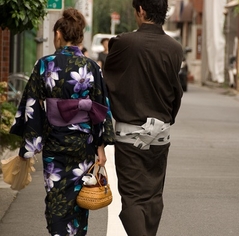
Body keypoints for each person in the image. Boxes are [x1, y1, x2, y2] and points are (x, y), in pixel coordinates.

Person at [9, 8, 114, 236]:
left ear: (58, 34)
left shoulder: (45, 64)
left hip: (55, 145)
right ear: (80, 36)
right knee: (79, 201)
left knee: (56, 202)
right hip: (82, 146)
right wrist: (100, 146)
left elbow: (32, 104)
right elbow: (100, 108)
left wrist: (29, 146)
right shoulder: (91, 67)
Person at [103, 0, 183, 235]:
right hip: (161, 136)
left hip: (130, 136)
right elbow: (174, 92)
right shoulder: (175, 48)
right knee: (153, 197)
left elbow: (110, 80)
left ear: (141, 10)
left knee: (131, 199)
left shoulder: (124, 43)